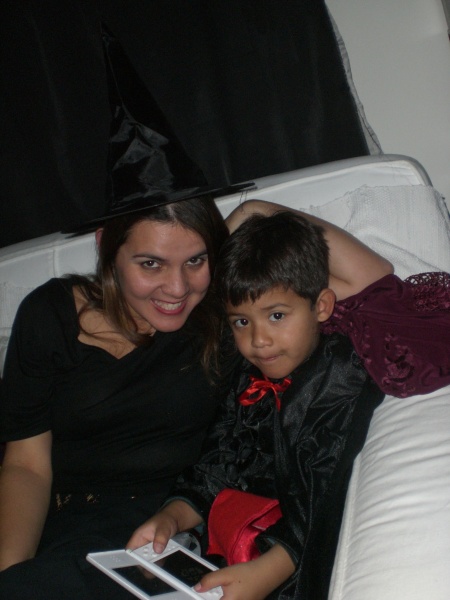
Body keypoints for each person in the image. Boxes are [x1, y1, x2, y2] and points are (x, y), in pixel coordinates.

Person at [127, 211, 386, 600]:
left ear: (321, 306)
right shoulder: (248, 376)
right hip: (230, 548)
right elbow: (216, 464)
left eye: (276, 316)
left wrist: (267, 572)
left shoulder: (339, 376)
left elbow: (321, 498)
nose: (259, 340)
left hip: (295, 560)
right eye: (241, 322)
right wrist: (171, 517)